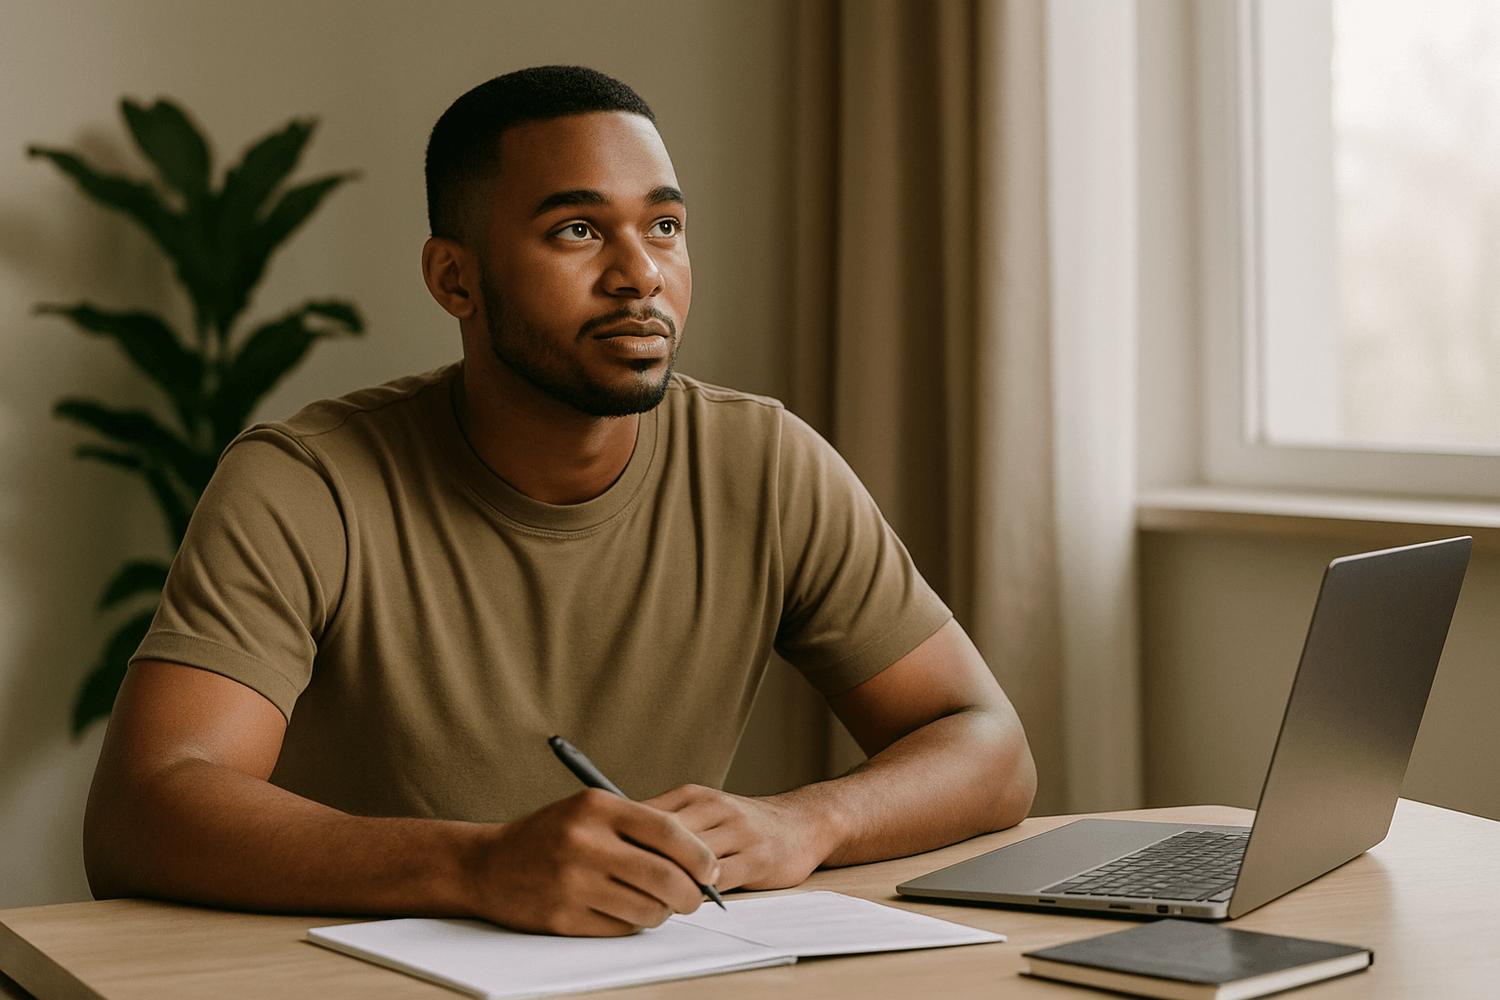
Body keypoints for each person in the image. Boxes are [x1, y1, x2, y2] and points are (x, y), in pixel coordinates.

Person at [82, 66, 1036, 937]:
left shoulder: (765, 462)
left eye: (663, 226)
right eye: (578, 230)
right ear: (456, 278)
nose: (641, 274)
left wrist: (804, 822)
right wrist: (480, 862)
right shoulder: (305, 481)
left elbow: (987, 744)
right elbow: (146, 805)